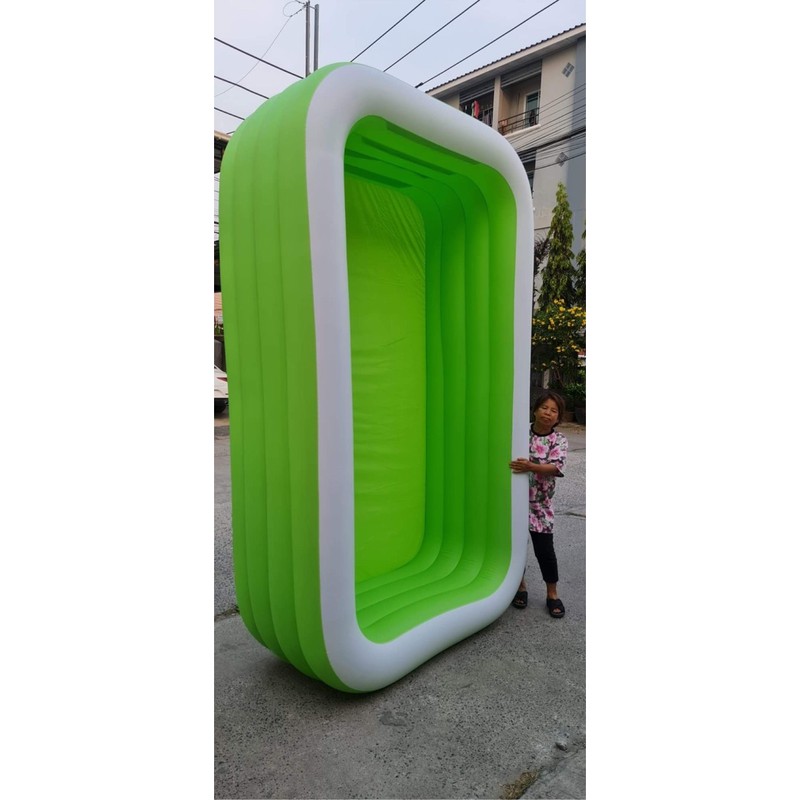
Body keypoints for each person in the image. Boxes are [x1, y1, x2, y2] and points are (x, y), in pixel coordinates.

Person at [509, 391, 568, 618]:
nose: (548, 413)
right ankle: (519, 586)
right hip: (514, 500)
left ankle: (552, 594)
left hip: (540, 505)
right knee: (516, 547)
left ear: (558, 417)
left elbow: (556, 467)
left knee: (545, 551)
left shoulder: (559, 440)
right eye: (544, 408)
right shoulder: (519, 432)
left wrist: (531, 467)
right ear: (535, 410)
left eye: (554, 411)